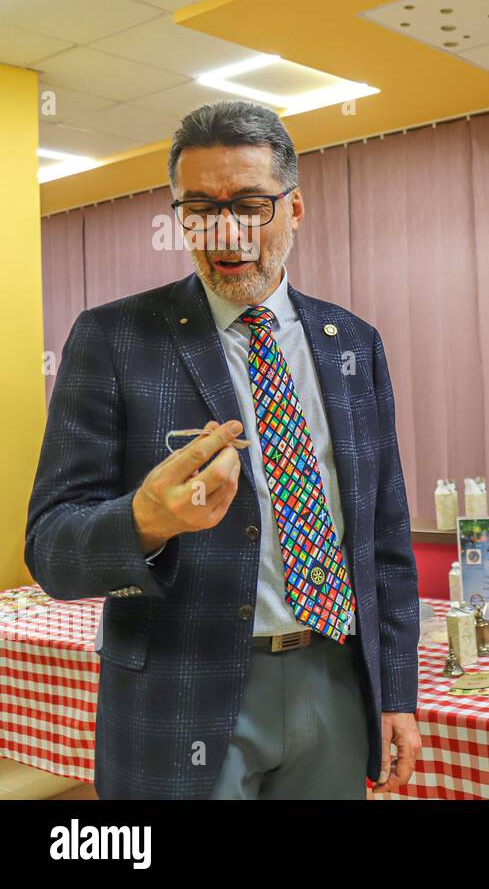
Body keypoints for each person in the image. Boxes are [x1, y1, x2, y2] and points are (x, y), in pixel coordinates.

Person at [26, 100, 422, 799]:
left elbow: (384, 539)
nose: (225, 230)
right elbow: (52, 550)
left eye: (250, 204)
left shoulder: (353, 344)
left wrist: (396, 694)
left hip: (332, 682)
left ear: (295, 209)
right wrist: (144, 520)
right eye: (199, 208)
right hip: (181, 696)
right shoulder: (115, 339)